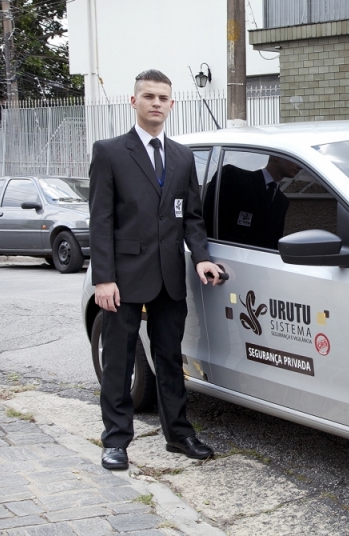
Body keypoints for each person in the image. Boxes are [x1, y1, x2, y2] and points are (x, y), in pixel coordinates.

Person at [89, 69, 222, 470]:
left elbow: (192, 217)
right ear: (134, 102)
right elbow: (100, 219)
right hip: (123, 279)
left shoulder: (182, 156)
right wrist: (103, 279)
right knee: (119, 360)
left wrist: (200, 256)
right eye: (149, 96)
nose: (156, 103)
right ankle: (115, 440)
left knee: (169, 359)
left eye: (163, 98)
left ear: (172, 104)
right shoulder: (110, 152)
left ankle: (178, 434)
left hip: (169, 278)